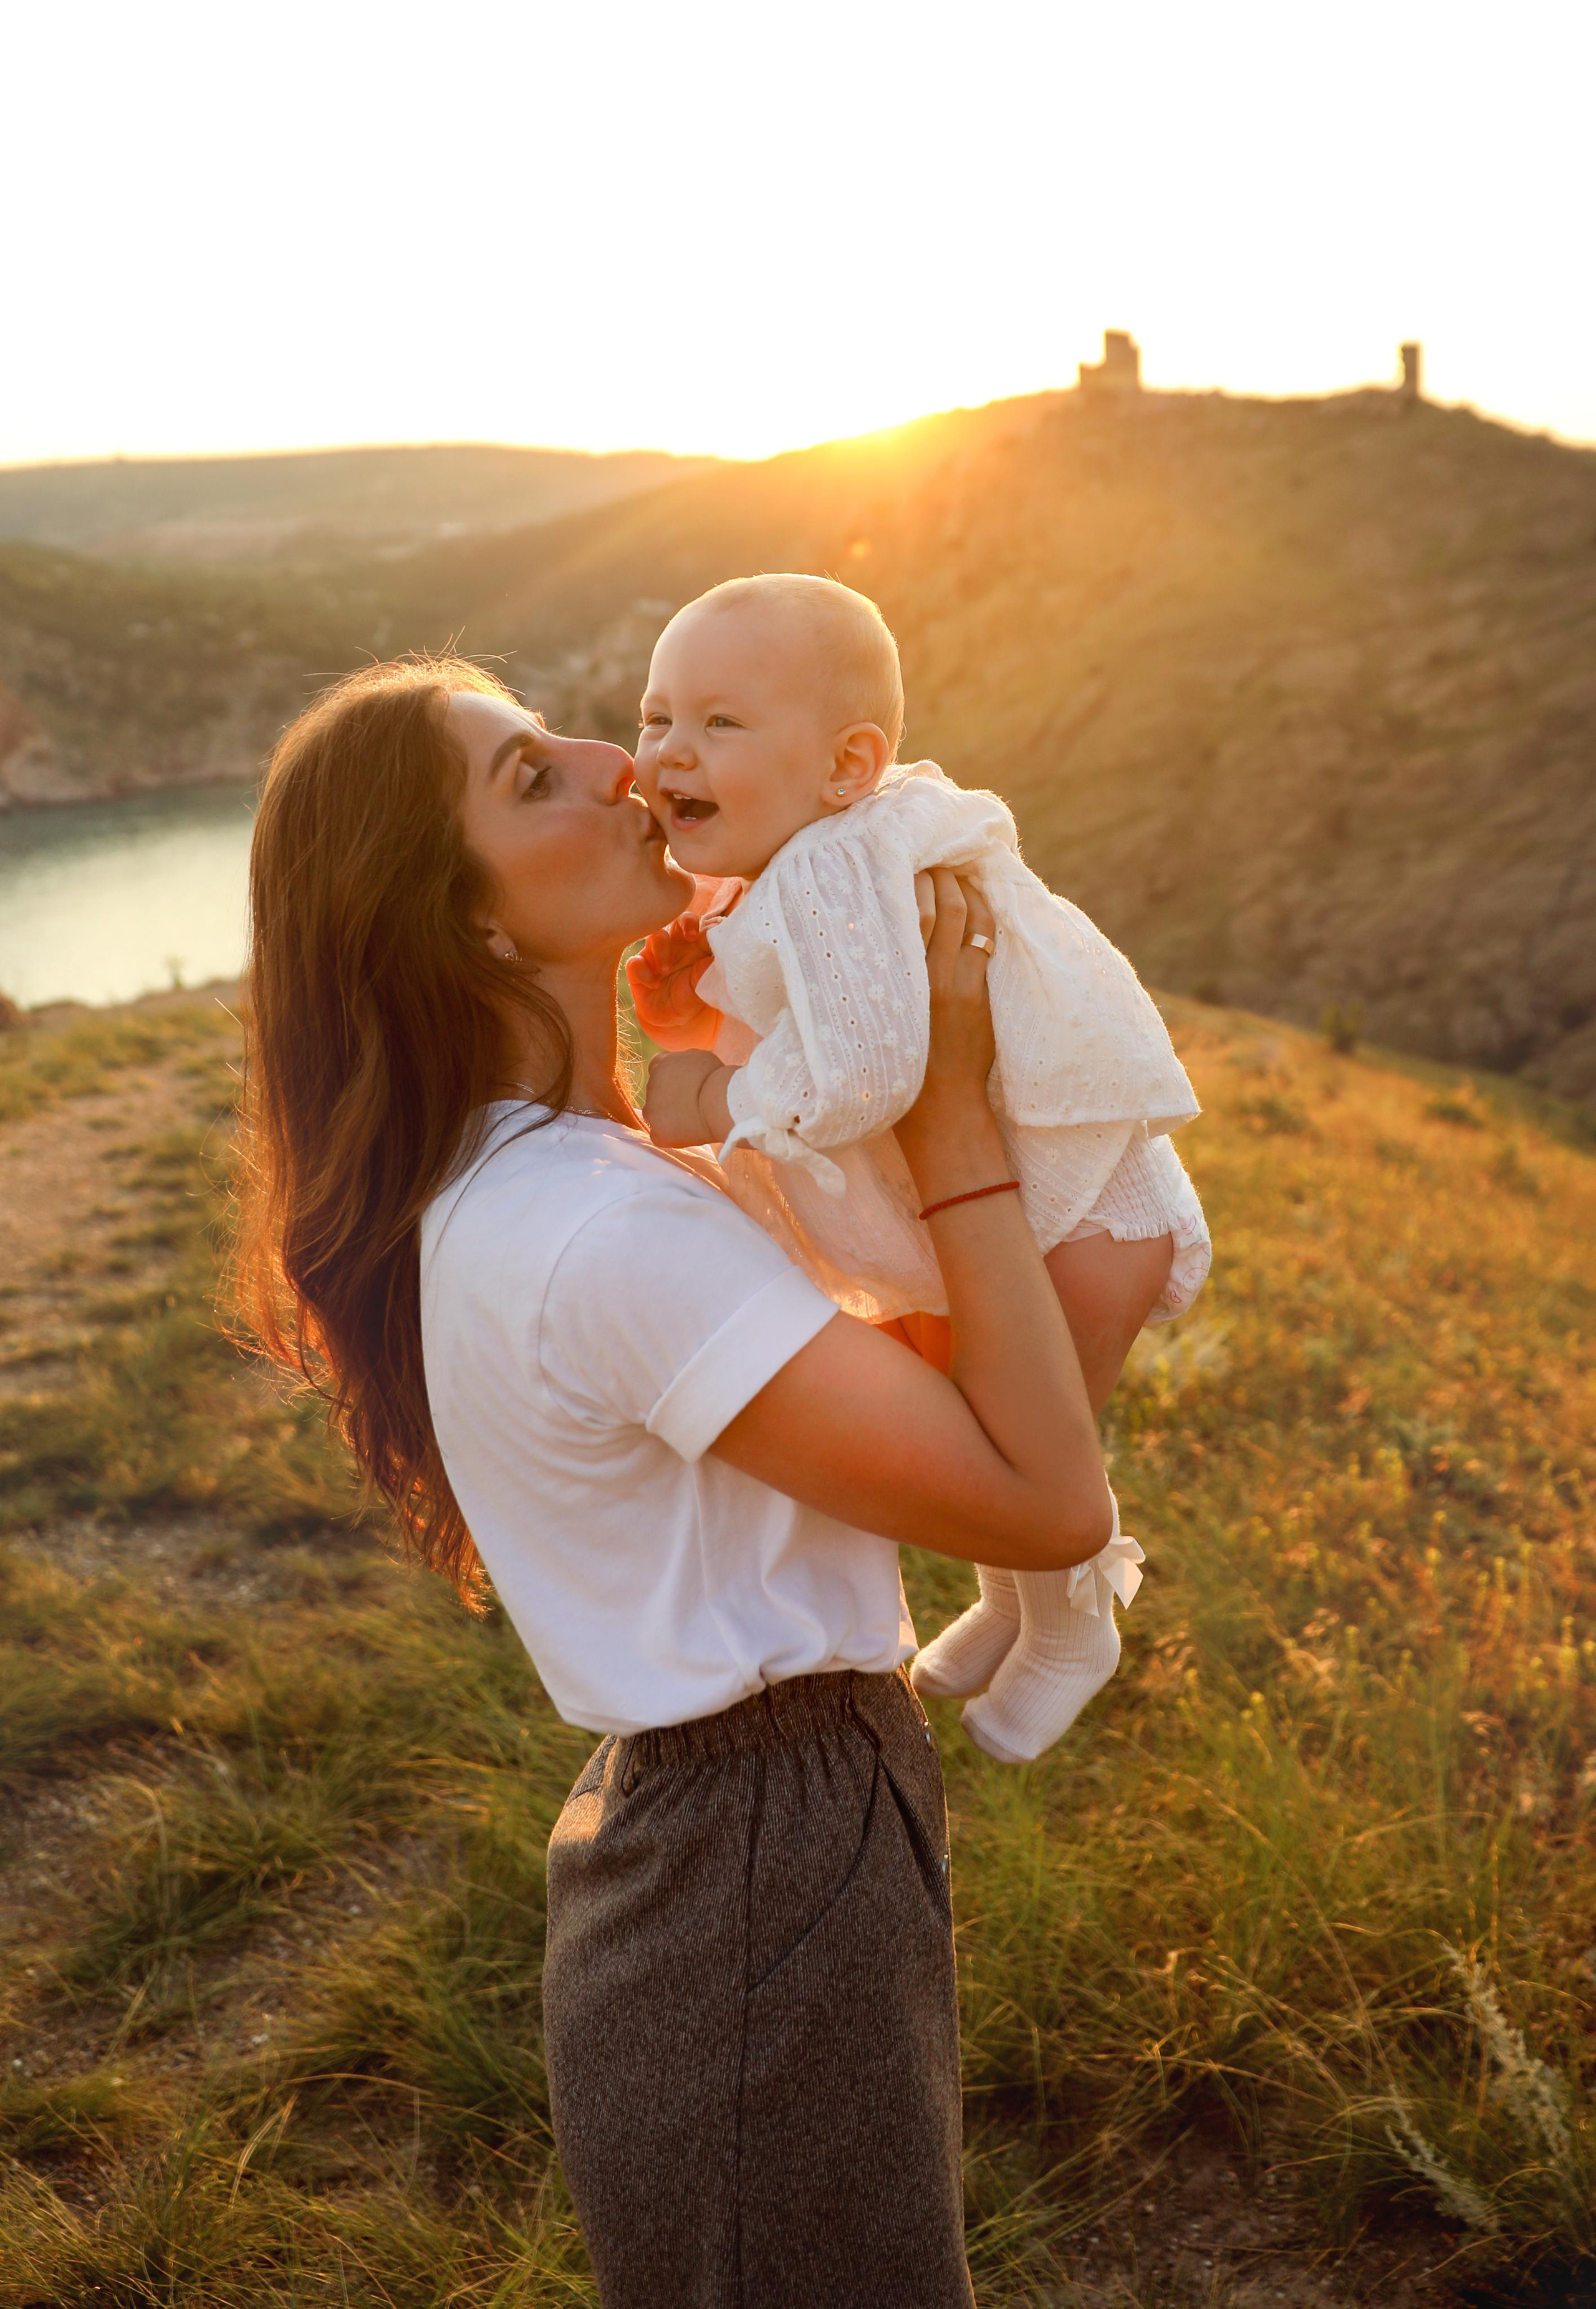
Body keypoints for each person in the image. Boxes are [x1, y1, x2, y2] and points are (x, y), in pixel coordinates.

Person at [235, 655, 1114, 2309]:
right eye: (524, 777)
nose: (604, 755)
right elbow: (1047, 1500)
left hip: (743, 1847)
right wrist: (946, 1113)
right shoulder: (602, 1229)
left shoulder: (553, 1178)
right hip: (757, 1880)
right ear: (473, 928)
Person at [627, 574, 1211, 1762]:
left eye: (721, 723)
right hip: (1033, 1201)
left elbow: (874, 1068)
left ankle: (1070, 1626)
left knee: (1015, 1437)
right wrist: (699, 1002)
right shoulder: (794, 850)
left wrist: (707, 1093)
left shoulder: (838, 867)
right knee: (989, 1417)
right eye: (656, 717)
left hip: (1091, 1220)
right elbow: (813, 1020)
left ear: (847, 765)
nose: (672, 752)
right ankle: (1010, 1605)